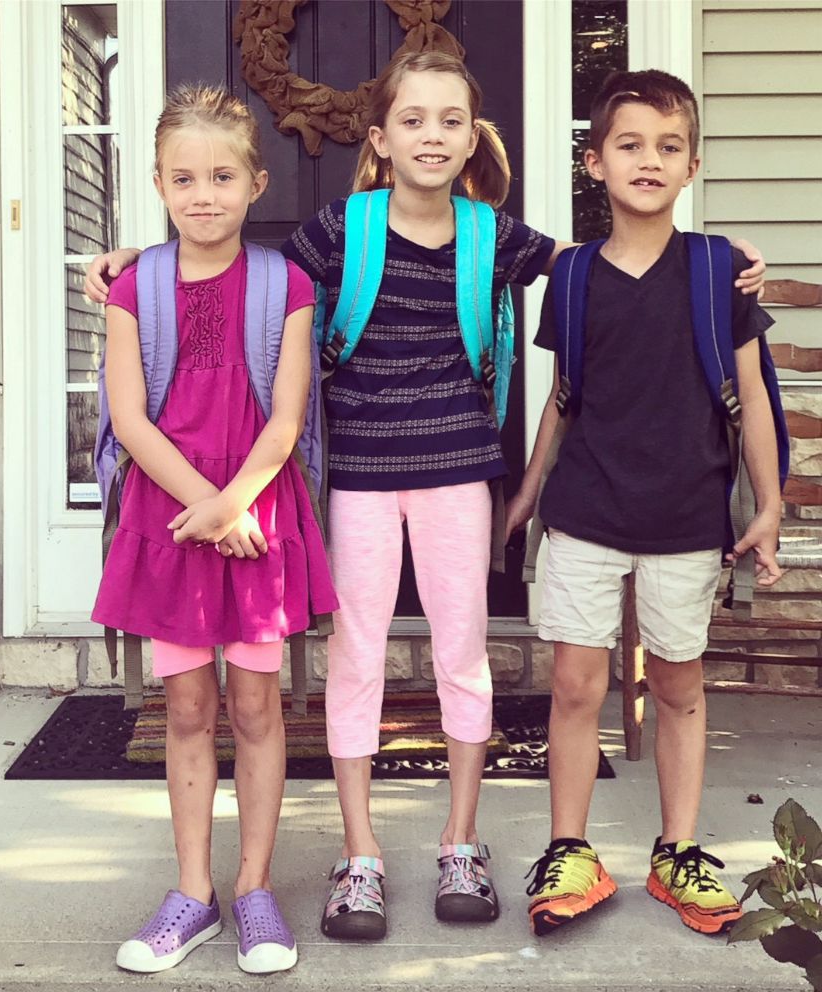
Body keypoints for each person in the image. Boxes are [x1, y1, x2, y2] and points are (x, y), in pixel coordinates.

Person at [85, 54, 766, 941]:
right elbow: (226, 262)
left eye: (451, 121)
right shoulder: (340, 229)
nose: (432, 136)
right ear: (380, 139)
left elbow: (594, 262)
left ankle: (462, 838)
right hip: (362, 478)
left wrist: (721, 261)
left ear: (472, 138)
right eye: (412, 120)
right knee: (358, 655)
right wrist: (138, 257)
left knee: (462, 655)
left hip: (458, 475)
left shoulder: (496, 235)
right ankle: (359, 853)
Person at [507, 69, 782, 938]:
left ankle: (679, 849)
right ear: (594, 162)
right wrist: (526, 494)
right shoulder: (575, 276)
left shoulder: (717, 271)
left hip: (686, 518)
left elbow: (752, 398)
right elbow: (563, 396)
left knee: (678, 684)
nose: (648, 160)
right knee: (578, 686)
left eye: (669, 147)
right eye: (629, 144)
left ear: (692, 164)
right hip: (585, 510)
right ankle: (569, 849)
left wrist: (768, 506)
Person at [92, 83, 337, 975]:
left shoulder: (288, 285)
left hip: (258, 516)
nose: (203, 194)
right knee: (187, 708)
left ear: (256, 183)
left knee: (259, 707)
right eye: (183, 178)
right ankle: (192, 892)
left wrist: (237, 503)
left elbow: (286, 419)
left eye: (222, 176)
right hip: (174, 520)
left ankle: (255, 890)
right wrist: (207, 505)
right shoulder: (134, 290)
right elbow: (130, 420)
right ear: (158, 184)